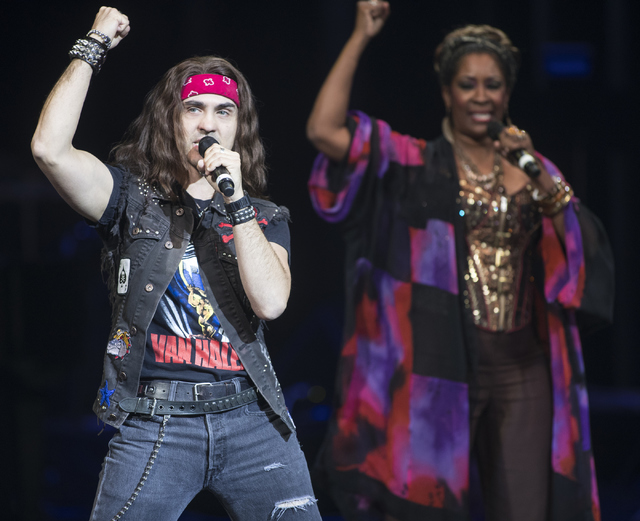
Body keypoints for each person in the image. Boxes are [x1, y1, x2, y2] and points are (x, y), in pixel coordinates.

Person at [306, 2, 613, 520]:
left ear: (507, 93)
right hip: (439, 365)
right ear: (446, 93)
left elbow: (585, 243)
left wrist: (536, 172)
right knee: (431, 505)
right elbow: (323, 130)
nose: (480, 96)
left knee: (524, 509)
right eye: (467, 84)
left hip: (523, 366)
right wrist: (361, 35)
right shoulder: (413, 163)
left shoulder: (531, 171)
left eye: (492, 85)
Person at [31, 7, 321, 521]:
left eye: (222, 111)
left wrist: (236, 204)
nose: (208, 123)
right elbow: (50, 149)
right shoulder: (130, 198)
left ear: (238, 128)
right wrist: (94, 44)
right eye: (194, 109)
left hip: (251, 418)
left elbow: (271, 302)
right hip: (156, 421)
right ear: (172, 118)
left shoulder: (264, 216)